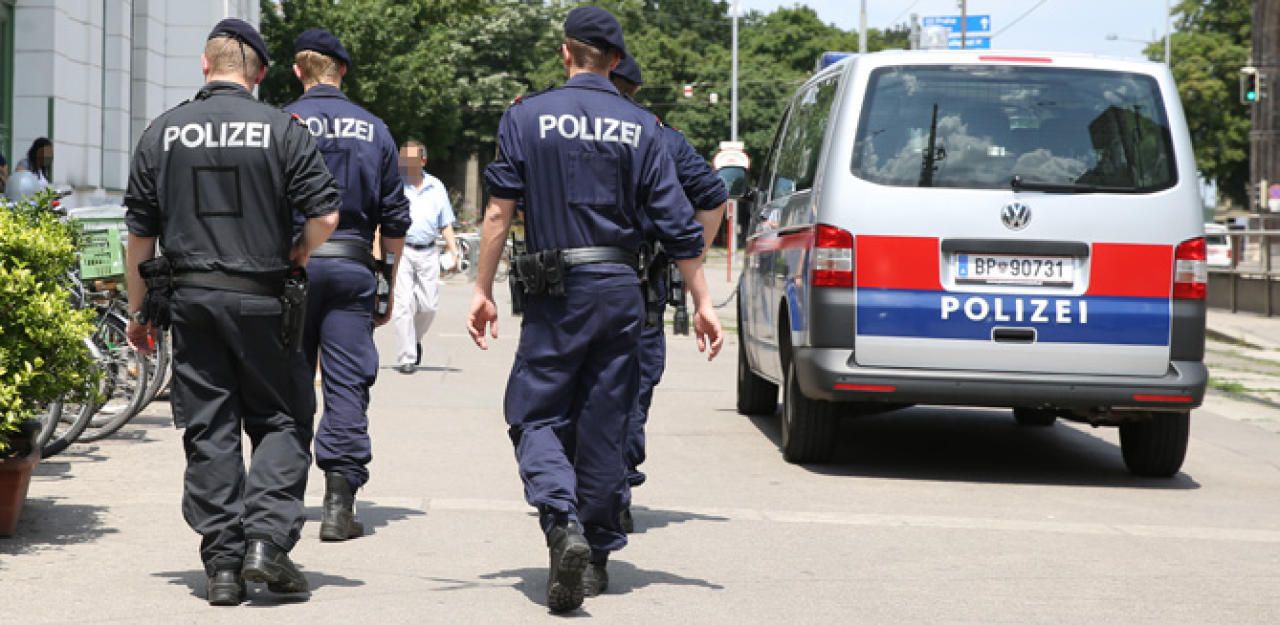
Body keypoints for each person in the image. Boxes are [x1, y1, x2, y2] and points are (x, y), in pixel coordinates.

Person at [469, 6, 724, 613]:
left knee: (535, 414)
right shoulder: (643, 126)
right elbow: (677, 219)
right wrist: (703, 298)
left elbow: (500, 213)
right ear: (614, 62)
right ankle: (598, 556)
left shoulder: (525, 116)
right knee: (606, 421)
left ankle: (563, 525)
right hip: (622, 291)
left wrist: (480, 289)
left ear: (566, 54)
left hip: (556, 291)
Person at [122, 18, 342, 606]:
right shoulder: (282, 129)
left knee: (209, 425)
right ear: (259, 73)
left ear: (204, 64)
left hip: (190, 301)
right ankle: (266, 544)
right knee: (282, 418)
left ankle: (222, 562)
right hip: (265, 296)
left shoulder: (162, 133)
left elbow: (139, 235)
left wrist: (138, 312)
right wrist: (298, 252)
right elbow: (325, 217)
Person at [283, 28, 411, 542]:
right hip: (355, 268)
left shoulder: (282, 122)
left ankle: (283, 500)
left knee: (288, 385)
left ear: (298, 70)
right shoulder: (375, 129)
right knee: (346, 387)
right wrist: (389, 282)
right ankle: (339, 504)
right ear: (343, 71)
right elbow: (396, 217)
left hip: (293, 267)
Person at [608, 56, 728, 533]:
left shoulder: (551, 121)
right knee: (632, 392)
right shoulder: (660, 136)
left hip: (565, 287)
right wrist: (691, 262)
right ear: (635, 88)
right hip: (639, 288)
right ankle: (615, 489)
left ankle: (571, 488)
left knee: (568, 389)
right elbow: (714, 196)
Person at [392, 139, 459, 374]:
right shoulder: (395, 185)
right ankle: (406, 357)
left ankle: (415, 340)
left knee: (428, 306)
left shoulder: (436, 186)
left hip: (429, 251)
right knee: (402, 305)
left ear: (423, 160)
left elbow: (446, 223)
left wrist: (454, 250)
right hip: (402, 249)